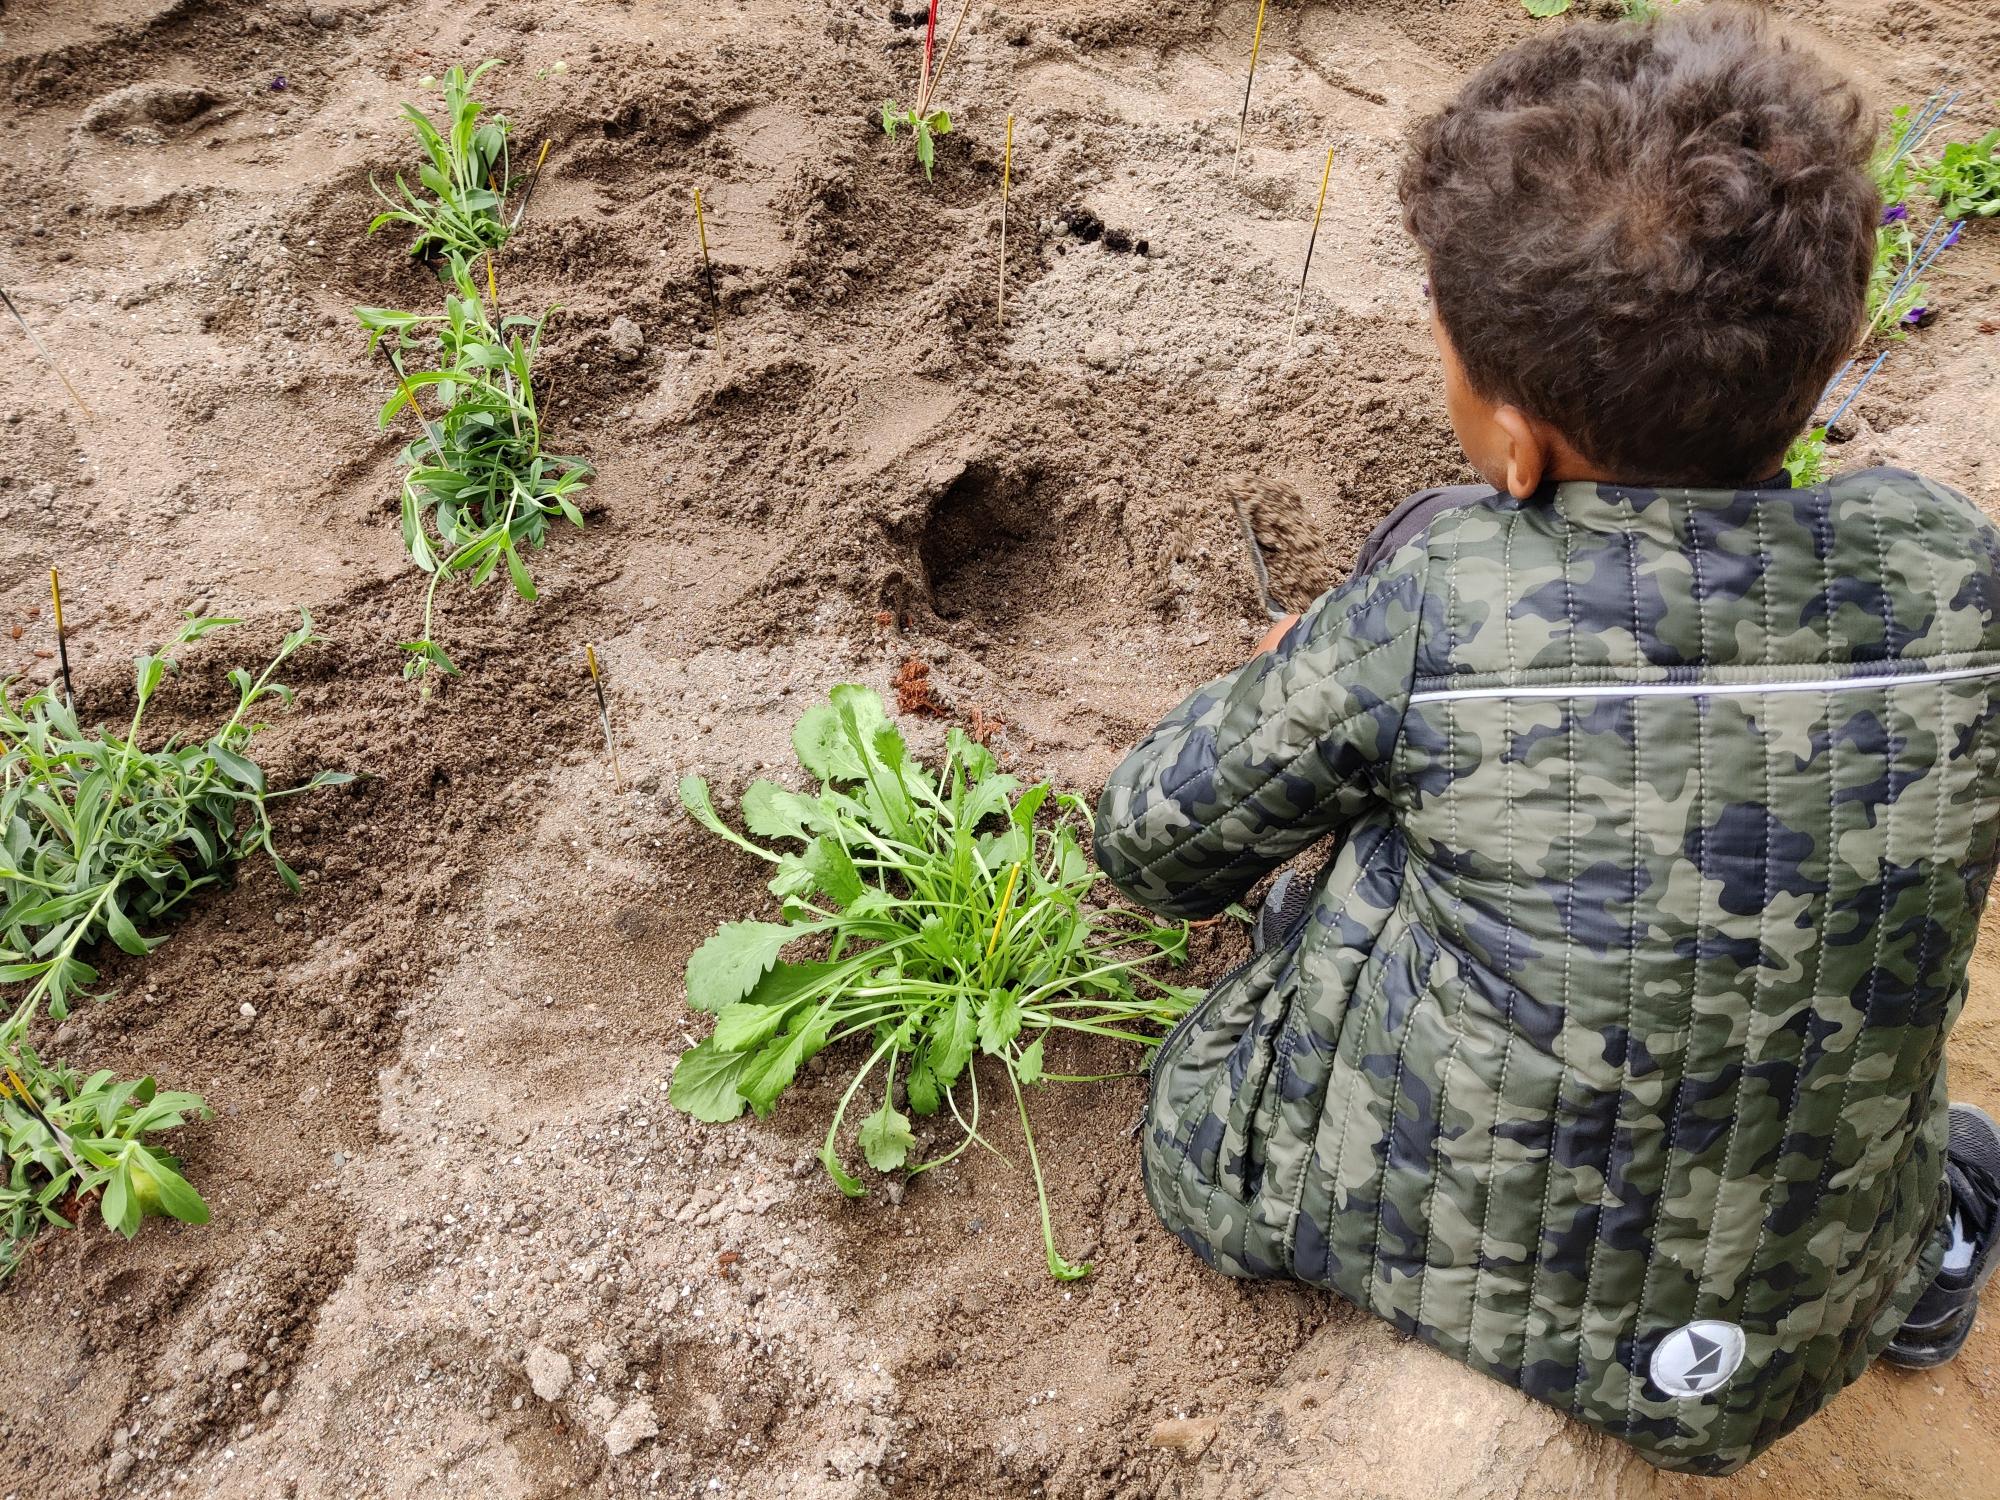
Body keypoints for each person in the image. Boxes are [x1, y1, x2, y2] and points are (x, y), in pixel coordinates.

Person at [1093, 5, 2000, 1476]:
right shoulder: (1958, 570)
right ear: (1825, 362)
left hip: (1437, 1248)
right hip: (1829, 1287)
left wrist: (1305, 666)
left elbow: (1148, 843)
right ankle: (1920, 1263)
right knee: (1924, 1102)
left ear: (1518, 448)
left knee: (1338, 882)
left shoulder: (1444, 598)